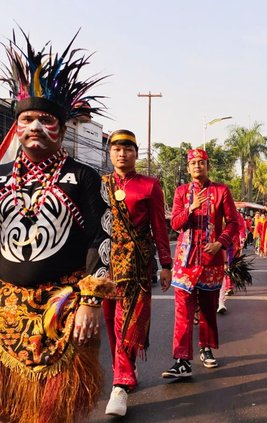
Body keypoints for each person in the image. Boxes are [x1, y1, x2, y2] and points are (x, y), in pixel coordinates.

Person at [0, 30, 113, 423]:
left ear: (62, 130)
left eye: (44, 119)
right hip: (5, 309)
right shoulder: (0, 178)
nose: (33, 126)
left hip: (62, 308)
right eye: (26, 119)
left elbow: (103, 239)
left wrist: (90, 302)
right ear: (16, 127)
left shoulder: (84, 176)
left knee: (50, 414)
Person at [102, 129, 173, 416]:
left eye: (128, 148)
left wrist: (165, 265)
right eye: (117, 149)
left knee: (127, 320)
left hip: (137, 261)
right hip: (106, 263)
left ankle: (120, 381)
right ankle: (124, 366)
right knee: (109, 318)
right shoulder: (101, 184)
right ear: (110, 153)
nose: (122, 153)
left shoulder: (150, 185)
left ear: (136, 153)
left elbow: (159, 227)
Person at [162, 148, 238, 378]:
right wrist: (191, 208)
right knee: (182, 312)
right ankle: (182, 360)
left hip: (211, 259)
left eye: (201, 162)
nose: (197, 166)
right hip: (185, 261)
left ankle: (206, 349)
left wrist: (221, 243)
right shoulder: (181, 192)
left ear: (208, 166)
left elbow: (233, 222)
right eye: (193, 163)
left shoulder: (221, 191)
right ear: (188, 167)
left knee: (207, 308)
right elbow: (175, 223)